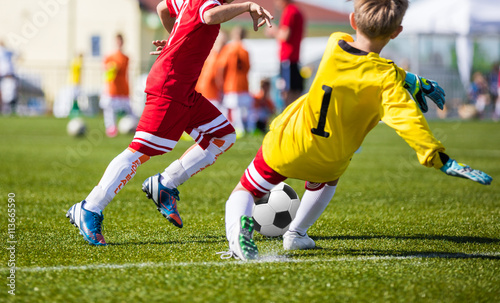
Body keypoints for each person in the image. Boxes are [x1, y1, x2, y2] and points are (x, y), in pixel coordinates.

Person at [221, 0, 492, 261]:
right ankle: (296, 233)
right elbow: (409, 121)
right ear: (397, 32)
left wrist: (410, 79)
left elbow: (366, 63)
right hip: (330, 160)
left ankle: (237, 234)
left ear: (353, 20)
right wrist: (439, 158)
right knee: (327, 181)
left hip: (289, 143)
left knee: (245, 189)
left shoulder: (334, 42)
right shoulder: (386, 82)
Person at [66, 0, 273, 246]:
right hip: (169, 87)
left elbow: (163, 7)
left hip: (183, 89)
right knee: (139, 152)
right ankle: (89, 208)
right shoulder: (211, 4)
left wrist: (177, 37)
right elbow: (208, 16)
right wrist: (247, 6)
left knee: (222, 136)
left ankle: (165, 184)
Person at [266, 0, 305, 108]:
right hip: (293, 58)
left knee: (287, 92)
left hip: (288, 58)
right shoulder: (296, 10)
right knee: (294, 90)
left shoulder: (289, 11)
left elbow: (285, 35)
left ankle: (289, 118)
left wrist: (273, 31)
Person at [216, 26, 252, 137]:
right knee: (242, 110)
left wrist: (220, 82)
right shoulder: (245, 50)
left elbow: (221, 67)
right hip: (243, 84)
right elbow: (248, 68)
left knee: (230, 110)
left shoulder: (229, 49)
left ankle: (233, 129)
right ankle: (247, 128)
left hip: (231, 84)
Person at [100, 33, 133, 137]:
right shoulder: (109, 57)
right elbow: (106, 72)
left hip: (123, 88)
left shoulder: (126, 57)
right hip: (112, 89)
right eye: (117, 41)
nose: (119, 43)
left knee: (129, 111)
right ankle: (111, 129)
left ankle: (132, 127)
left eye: (121, 41)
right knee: (109, 111)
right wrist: (110, 68)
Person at [195, 30, 228, 110]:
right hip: (211, 95)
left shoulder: (207, 54)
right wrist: (222, 92)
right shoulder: (216, 57)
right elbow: (216, 77)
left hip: (202, 92)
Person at [0, 41, 18, 115]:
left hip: (8, 76)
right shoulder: (4, 51)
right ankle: (5, 110)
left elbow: (18, 54)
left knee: (8, 95)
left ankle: (9, 111)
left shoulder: (7, 51)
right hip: (3, 76)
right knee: (5, 96)